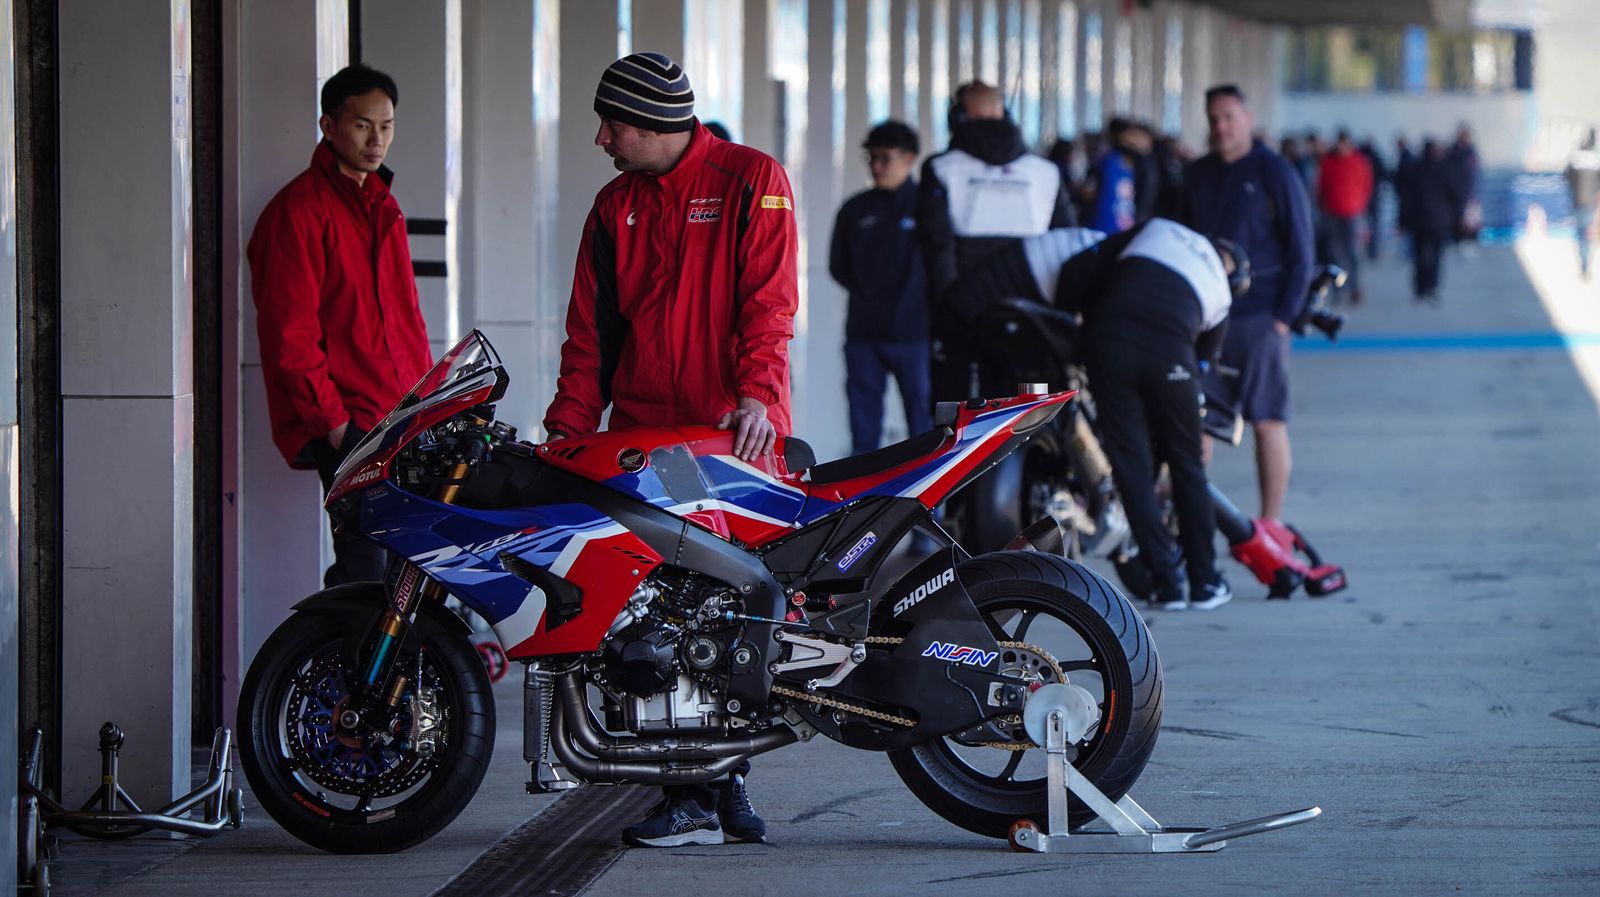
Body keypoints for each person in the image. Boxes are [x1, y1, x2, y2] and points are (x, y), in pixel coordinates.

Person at [542, 52, 797, 849]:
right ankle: (701, 793)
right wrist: (566, 434)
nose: (601, 138)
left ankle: (715, 786)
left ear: (653, 123)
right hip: (641, 445)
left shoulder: (752, 179)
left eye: (612, 124)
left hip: (731, 437)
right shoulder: (611, 206)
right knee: (656, 617)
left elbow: (770, 303)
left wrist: (757, 395)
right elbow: (589, 339)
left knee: (728, 616)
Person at [946, 219, 1246, 611]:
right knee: (1186, 463)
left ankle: (1167, 586)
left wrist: (1077, 318)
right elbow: (1204, 361)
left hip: (1108, 339)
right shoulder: (1220, 292)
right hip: (1170, 351)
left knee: (1131, 465)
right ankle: (1205, 583)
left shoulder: (1159, 229)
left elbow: (1078, 269)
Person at [248, 64, 432, 589]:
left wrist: (426, 403)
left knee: (406, 572)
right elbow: (289, 335)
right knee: (363, 571)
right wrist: (334, 426)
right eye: (362, 125)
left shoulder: (384, 204)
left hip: (401, 417)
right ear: (328, 126)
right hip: (351, 425)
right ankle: (333, 648)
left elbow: (406, 318)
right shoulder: (297, 212)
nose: (377, 141)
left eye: (387, 126)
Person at [1180, 84, 1315, 524]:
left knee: (1267, 421)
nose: (1220, 127)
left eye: (1229, 118)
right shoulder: (1196, 175)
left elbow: (1302, 247)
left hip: (1260, 318)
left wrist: (1284, 317)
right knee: (1194, 422)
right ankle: (1190, 524)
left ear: (1248, 119)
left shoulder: (1275, 171)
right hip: (1205, 318)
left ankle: (1269, 524)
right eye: (1213, 119)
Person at [917, 80, 1076, 403]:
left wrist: (949, 310)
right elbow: (1065, 241)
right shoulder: (1045, 172)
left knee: (961, 408)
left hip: (963, 307)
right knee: (1029, 406)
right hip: (1034, 304)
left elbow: (935, 244)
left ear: (958, 117)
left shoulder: (942, 168)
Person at [829, 121, 932, 455]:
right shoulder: (855, 210)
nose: (876, 166)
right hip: (864, 335)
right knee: (864, 437)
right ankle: (865, 491)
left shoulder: (928, 206)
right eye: (871, 158)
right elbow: (838, 267)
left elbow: (943, 266)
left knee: (926, 432)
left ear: (909, 159)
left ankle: (927, 492)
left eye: (885, 158)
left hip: (916, 335)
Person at [1316, 131, 1373, 305]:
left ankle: (1355, 287)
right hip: (1332, 212)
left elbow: (1367, 185)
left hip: (1353, 212)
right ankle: (1338, 288)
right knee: (1334, 253)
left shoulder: (1359, 162)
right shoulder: (1328, 162)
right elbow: (1321, 186)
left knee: (1353, 253)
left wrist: (1361, 205)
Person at [1404, 139, 1463, 302]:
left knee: (1420, 256)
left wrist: (1404, 221)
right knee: (1436, 256)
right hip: (1439, 222)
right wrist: (1457, 218)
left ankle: (1421, 287)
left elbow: (1406, 199)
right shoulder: (1444, 170)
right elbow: (1455, 196)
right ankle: (1432, 286)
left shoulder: (1415, 170)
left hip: (1421, 222)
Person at [1564, 129, 1600, 278]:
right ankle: (1585, 264)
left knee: (1580, 234)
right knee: (1586, 234)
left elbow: (1565, 177)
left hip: (1577, 201)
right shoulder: (1596, 160)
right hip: (1590, 203)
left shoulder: (1575, 159)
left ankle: (1583, 263)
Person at [1446, 124, 1482, 246]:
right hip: (1454, 199)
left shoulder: (1471, 153)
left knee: (1471, 230)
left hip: (1470, 198)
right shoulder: (1452, 154)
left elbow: (1475, 176)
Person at [1358, 137, 1388, 261]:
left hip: (1366, 195)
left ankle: (1370, 248)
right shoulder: (1375, 157)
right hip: (1371, 194)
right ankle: (1372, 248)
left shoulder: (1361, 157)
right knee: (1372, 223)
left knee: (1368, 222)